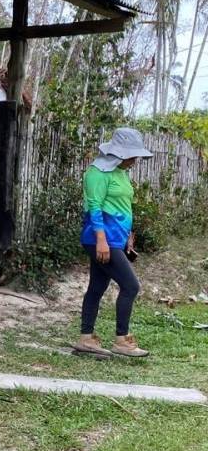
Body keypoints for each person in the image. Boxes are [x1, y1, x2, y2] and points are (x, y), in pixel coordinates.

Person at [74, 127, 153, 358]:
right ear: (120, 152)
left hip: (115, 239)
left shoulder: (120, 172)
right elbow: (94, 208)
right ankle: (122, 341)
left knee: (97, 287)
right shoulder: (97, 173)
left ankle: (86, 339)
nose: (136, 160)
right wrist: (101, 240)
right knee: (131, 286)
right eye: (133, 155)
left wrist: (127, 235)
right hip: (100, 238)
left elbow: (122, 206)